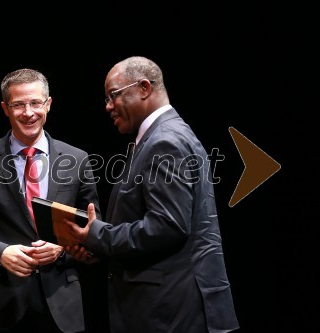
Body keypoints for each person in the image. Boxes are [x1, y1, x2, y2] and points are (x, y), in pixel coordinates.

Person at [64, 56, 240, 333]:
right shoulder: (163, 136)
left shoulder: (165, 141)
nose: (107, 106)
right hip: (171, 307)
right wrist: (97, 246)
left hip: (170, 314)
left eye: (113, 95)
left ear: (144, 88)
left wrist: (98, 235)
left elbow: (167, 226)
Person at [0, 68, 101, 333]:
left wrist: (63, 249)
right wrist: (0, 253)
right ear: (5, 109)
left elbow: (93, 227)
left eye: (35, 103)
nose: (28, 112)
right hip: (0, 302)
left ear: (49, 104)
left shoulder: (77, 159)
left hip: (62, 305)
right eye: (18, 104)